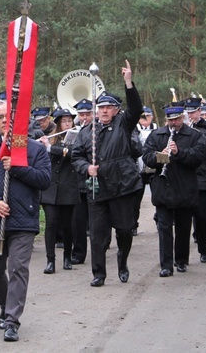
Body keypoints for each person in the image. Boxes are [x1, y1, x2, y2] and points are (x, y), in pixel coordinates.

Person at [0, 101, 51, 342]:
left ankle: (12, 320)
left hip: (23, 219)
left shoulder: (34, 150)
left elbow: (44, 179)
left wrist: (17, 167)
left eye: (8, 116)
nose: (4, 120)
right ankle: (6, 306)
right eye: (0, 117)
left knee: (18, 268)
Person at [72, 60, 143, 287]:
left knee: (124, 230)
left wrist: (128, 83)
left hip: (122, 186)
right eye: (100, 107)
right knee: (98, 235)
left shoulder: (123, 124)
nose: (104, 111)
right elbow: (76, 157)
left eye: (108, 108)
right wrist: (87, 168)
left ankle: (122, 262)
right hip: (98, 189)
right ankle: (99, 274)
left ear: (115, 110)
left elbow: (137, 109)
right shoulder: (86, 133)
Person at [143, 101, 205, 277]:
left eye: (177, 120)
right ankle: (166, 265)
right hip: (163, 188)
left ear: (182, 118)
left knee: (183, 227)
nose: (173, 123)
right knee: (164, 228)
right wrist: (160, 156)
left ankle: (181, 260)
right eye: (170, 120)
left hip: (185, 188)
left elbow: (198, 157)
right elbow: (146, 156)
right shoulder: (157, 135)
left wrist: (179, 153)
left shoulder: (194, 135)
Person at [39, 108, 82, 274]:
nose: (68, 124)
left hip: (68, 187)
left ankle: (67, 257)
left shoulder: (77, 138)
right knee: (51, 223)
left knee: (67, 225)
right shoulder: (50, 138)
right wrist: (42, 146)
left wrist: (50, 148)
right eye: (64, 121)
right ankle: (50, 260)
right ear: (58, 123)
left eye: (70, 121)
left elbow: (73, 154)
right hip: (50, 188)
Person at [184, 96, 206, 264]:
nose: (191, 115)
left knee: (202, 217)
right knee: (183, 219)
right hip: (183, 178)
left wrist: (196, 135)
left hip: (202, 177)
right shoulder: (180, 127)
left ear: (200, 112)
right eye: (188, 112)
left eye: (193, 112)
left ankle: (204, 249)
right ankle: (182, 256)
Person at [70, 98, 93, 265]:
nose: (84, 117)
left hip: (94, 181)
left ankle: (101, 246)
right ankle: (78, 252)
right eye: (81, 114)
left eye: (87, 114)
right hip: (76, 182)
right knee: (78, 221)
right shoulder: (71, 131)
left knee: (97, 220)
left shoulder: (98, 130)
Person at [132, 106, 158, 236]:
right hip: (139, 169)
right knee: (136, 200)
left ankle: (159, 220)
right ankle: (133, 224)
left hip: (154, 169)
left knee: (158, 197)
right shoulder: (134, 130)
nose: (145, 119)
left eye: (147, 116)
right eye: (142, 116)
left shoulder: (157, 129)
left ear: (152, 117)